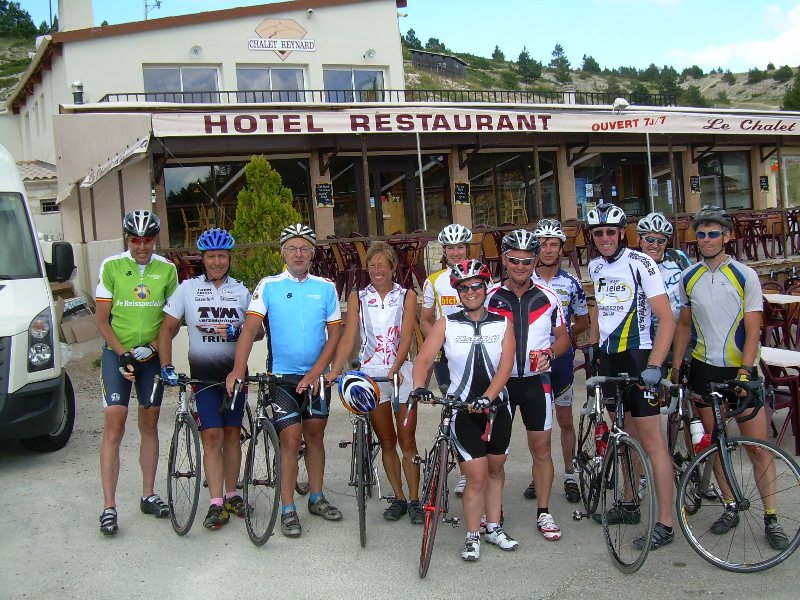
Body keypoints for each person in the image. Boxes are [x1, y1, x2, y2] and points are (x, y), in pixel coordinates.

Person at [671, 206, 789, 550]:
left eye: (713, 233)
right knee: (713, 445)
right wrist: (676, 367)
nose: (706, 240)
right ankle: (729, 504)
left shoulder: (744, 275)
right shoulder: (688, 276)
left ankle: (771, 517)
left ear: (727, 236)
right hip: (704, 370)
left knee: (757, 448)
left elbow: (755, 327)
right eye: (701, 234)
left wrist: (745, 368)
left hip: (741, 370)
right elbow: (683, 325)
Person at [225, 223, 343, 539]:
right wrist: (238, 369)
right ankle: (288, 506)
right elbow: (250, 329)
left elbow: (335, 336)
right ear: (283, 253)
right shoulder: (269, 285)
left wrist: (318, 372)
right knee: (290, 441)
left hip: (315, 378)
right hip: (283, 378)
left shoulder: (326, 287)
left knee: (315, 438)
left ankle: (316, 496)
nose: (298, 253)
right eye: (292, 248)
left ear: (313, 252)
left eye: (304, 248)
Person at [586, 202, 677, 551]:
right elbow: (599, 309)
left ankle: (665, 522)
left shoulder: (642, 263)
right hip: (610, 361)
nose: (606, 238)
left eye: (611, 231)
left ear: (622, 232)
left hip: (640, 359)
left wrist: (655, 365)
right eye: (599, 233)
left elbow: (666, 319)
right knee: (622, 435)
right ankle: (628, 502)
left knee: (653, 442)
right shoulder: (595, 265)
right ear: (592, 237)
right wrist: (593, 346)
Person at [412, 259, 516, 562]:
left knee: (496, 470)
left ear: (486, 287)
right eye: (463, 287)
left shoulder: (502, 322)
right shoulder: (447, 322)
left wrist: (488, 397)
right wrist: (420, 385)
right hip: (461, 409)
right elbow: (425, 358)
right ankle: (472, 535)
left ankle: (494, 527)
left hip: (497, 408)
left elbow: (506, 366)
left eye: (476, 285)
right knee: (478, 476)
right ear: (457, 292)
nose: (470, 291)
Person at [157, 228, 255, 530]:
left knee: (232, 435)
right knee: (211, 436)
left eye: (221, 256)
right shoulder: (187, 290)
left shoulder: (241, 291)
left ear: (229, 258)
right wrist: (166, 365)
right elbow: (167, 329)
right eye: (211, 257)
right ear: (203, 259)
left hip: (234, 376)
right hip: (203, 376)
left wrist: (239, 332)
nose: (216, 262)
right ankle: (215, 502)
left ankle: (231, 493)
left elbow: (259, 331)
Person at [95, 210, 178, 536]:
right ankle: (109, 506)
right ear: (127, 239)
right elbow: (102, 321)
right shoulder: (112, 266)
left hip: (150, 357)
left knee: (149, 424)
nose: (142, 246)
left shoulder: (167, 270)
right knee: (114, 421)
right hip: (118, 354)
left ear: (155, 239)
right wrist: (123, 354)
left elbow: (171, 320)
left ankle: (147, 494)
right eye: (135, 240)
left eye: (148, 240)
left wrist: (155, 350)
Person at [326, 241, 422, 524]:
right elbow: (349, 335)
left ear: (393, 267)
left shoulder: (407, 296)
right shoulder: (359, 296)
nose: (377, 270)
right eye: (372, 266)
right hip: (371, 376)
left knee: (408, 441)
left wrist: (395, 367)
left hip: (400, 372)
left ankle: (415, 498)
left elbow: (407, 337)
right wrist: (335, 370)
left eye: (382, 265)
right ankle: (399, 497)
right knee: (387, 441)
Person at [487, 229, 571, 541]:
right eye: (514, 261)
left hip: (537, 384)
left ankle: (544, 512)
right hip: (502, 385)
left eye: (526, 261)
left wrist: (550, 351)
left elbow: (563, 337)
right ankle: (495, 512)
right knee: (496, 455)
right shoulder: (490, 296)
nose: (520, 266)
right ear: (504, 260)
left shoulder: (548, 297)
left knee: (541, 449)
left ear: (535, 260)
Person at [529, 219, 590, 505]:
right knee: (537, 424)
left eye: (553, 244)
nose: (548, 249)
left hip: (562, 360)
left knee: (564, 419)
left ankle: (569, 474)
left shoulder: (572, 283)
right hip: (533, 362)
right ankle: (538, 475)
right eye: (543, 244)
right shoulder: (527, 281)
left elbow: (584, 320)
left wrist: (563, 335)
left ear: (561, 249)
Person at [421, 223, 474, 497]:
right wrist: (439, 341)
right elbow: (425, 319)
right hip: (447, 357)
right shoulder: (434, 281)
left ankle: (478, 464)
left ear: (468, 249)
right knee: (453, 413)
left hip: (475, 355)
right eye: (451, 247)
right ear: (444, 251)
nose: (456, 252)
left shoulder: (480, 277)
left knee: (477, 411)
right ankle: (466, 471)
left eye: (460, 247)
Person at [636, 212, 691, 323]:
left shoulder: (677, 257)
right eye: (649, 240)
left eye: (661, 241)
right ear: (639, 240)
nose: (655, 245)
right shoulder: (632, 264)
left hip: (681, 325)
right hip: (649, 329)